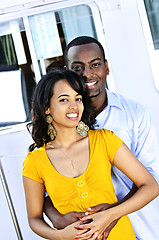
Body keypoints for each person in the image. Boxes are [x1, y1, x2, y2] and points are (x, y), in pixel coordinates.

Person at [44, 36, 159, 240]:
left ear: (106, 67)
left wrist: (112, 214)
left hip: (144, 224)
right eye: (78, 67)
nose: (87, 74)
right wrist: (55, 218)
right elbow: (43, 184)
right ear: (67, 72)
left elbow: (152, 176)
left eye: (95, 64)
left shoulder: (135, 114)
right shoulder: (55, 122)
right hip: (89, 232)